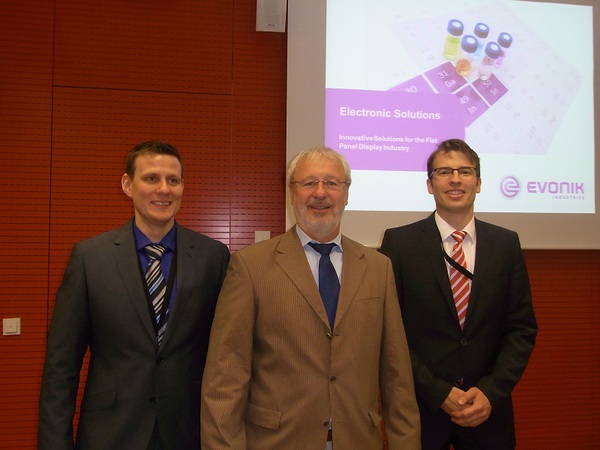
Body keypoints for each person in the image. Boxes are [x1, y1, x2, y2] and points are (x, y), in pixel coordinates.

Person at [201, 146, 421, 449]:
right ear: (292, 192)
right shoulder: (250, 266)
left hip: (358, 439)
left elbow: (397, 377)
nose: (320, 193)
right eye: (308, 183)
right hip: (278, 442)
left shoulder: (378, 268)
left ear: (346, 193)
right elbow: (226, 376)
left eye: (332, 183)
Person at [38, 140, 230, 450]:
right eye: (151, 178)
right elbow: (61, 366)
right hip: (111, 433)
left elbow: (227, 356)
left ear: (183, 187)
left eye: (173, 180)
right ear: (128, 185)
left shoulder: (214, 257)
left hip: (189, 432)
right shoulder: (90, 258)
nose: (164, 189)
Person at [379, 138, 538, 450]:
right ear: (429, 185)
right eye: (444, 172)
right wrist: (437, 392)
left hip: (487, 413)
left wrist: (491, 391)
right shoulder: (399, 244)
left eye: (465, 171)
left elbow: (521, 329)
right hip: (422, 411)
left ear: (478, 183)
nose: (455, 179)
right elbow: (389, 332)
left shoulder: (506, 244)